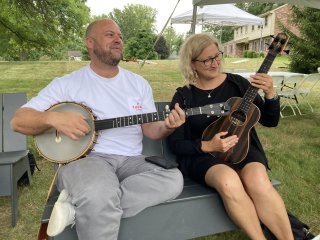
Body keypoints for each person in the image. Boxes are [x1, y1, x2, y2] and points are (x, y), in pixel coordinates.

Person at [11, 19, 185, 240]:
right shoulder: (68, 84)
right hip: (85, 160)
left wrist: (167, 126)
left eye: (120, 36)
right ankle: (94, 198)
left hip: (131, 161)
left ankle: (78, 207)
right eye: (110, 35)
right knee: (98, 192)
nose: (118, 40)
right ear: (90, 43)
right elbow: (18, 121)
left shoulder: (138, 83)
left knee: (172, 179)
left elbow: (151, 130)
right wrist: (54, 118)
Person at [168, 33, 294, 240]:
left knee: (258, 181)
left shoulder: (237, 84)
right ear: (192, 63)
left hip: (243, 148)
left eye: (217, 56)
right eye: (207, 59)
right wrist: (208, 146)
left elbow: (270, 121)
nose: (215, 62)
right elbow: (176, 143)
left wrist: (271, 93)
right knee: (228, 181)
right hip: (203, 156)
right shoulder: (184, 95)